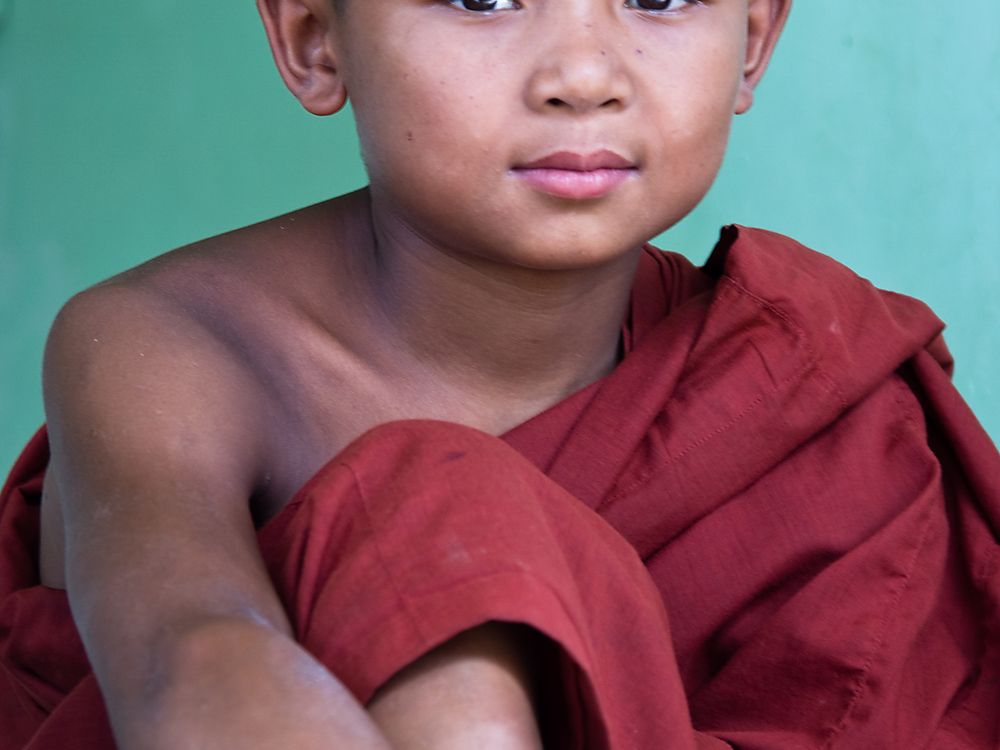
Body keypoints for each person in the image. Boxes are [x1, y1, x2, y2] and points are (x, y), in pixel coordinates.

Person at [1, 0, 998, 748]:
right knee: (438, 513)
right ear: (314, 39)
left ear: (754, 38)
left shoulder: (816, 391)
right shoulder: (174, 348)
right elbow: (188, 660)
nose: (583, 74)